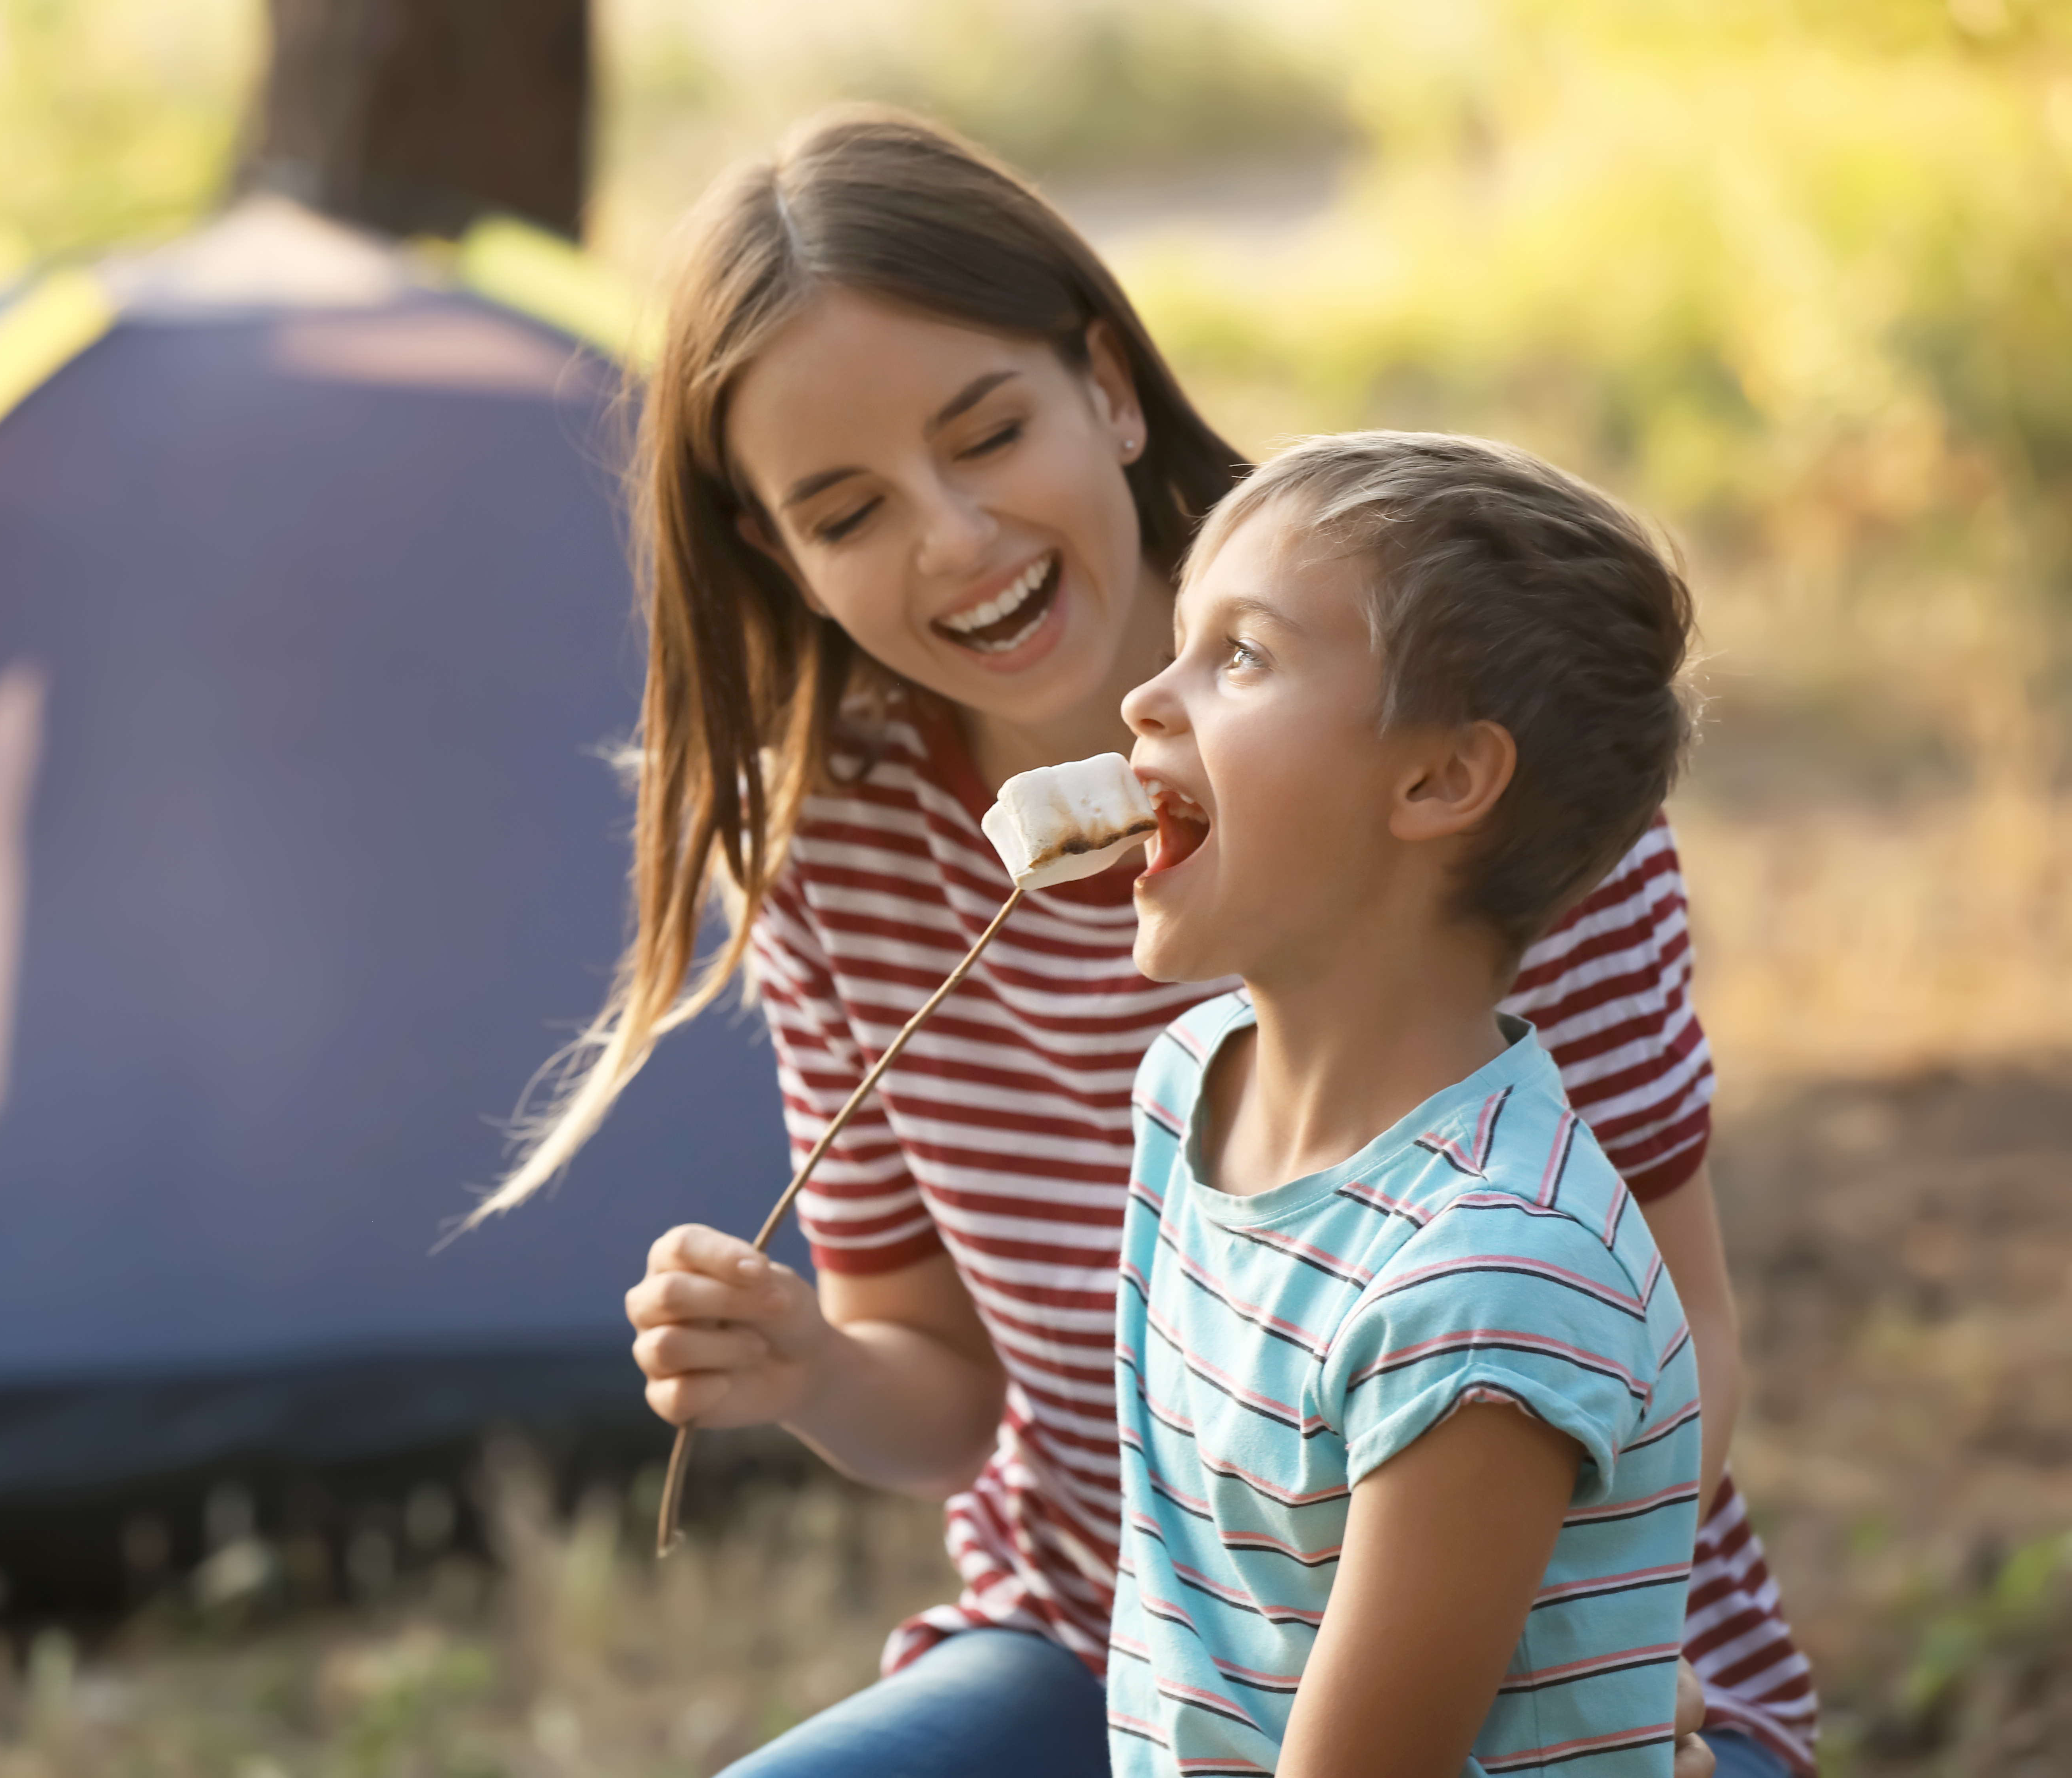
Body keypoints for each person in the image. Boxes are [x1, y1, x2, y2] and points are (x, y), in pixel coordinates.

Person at [477, 110, 1813, 1776]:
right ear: (781, 556)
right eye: (849, 510)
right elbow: (949, 1392)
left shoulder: (1453, 755)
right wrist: (813, 1362)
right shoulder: (853, 856)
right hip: (1113, 1647)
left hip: (1542, 1669)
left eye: (988, 434)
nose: (954, 539)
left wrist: (1574, 1670)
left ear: (1107, 385)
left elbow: (1669, 1343)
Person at [1111, 429, 1705, 1776]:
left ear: (1440, 779)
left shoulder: (1490, 1279)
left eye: (1240, 656)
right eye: (1178, 643)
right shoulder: (1191, 1087)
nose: (1147, 700)